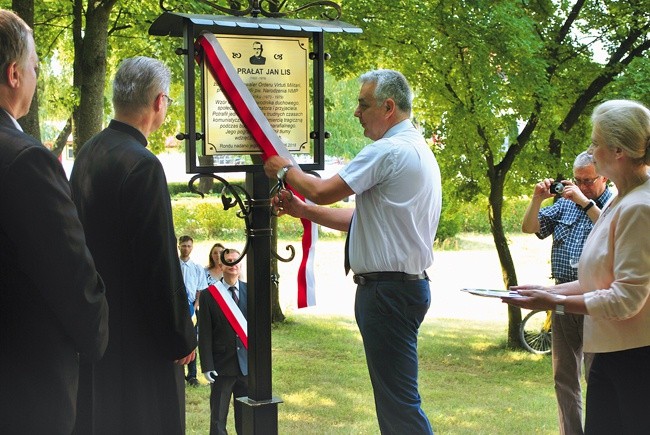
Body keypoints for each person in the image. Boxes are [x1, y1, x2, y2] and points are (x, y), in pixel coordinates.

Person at [264, 69, 441, 433]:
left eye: (364, 104)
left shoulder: (387, 150)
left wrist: (284, 170)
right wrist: (303, 211)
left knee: (400, 407)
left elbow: (322, 190)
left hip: (387, 293)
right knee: (396, 403)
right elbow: (363, 218)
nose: (357, 113)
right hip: (402, 288)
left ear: (388, 107)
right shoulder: (416, 148)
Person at [505, 99, 650, 433]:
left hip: (636, 362)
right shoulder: (620, 199)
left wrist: (554, 302)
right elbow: (598, 280)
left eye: (595, 142)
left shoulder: (639, 206)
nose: (591, 150)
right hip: (611, 354)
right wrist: (547, 290)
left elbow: (626, 299)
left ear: (618, 151)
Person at [69, 56, 197, 434]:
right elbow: (158, 262)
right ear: (159, 102)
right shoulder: (143, 165)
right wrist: (180, 335)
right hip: (140, 339)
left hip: (98, 323)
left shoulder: (89, 152)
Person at [0, 10, 109, 433]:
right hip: (23, 386)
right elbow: (73, 277)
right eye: (34, 67)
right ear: (13, 74)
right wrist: (96, 336)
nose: (36, 76)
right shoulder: (25, 161)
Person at [521, 151, 612, 435]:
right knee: (563, 377)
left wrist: (585, 203)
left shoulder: (615, 203)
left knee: (596, 376)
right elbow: (529, 227)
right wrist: (538, 198)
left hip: (594, 299)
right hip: (561, 296)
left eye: (588, 180)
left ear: (604, 177)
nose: (582, 186)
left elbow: (614, 232)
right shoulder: (564, 204)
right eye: (577, 180)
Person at [198, 248, 249, 435]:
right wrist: (207, 365)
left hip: (246, 366)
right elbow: (204, 334)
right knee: (218, 418)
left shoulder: (250, 291)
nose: (233, 264)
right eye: (228, 261)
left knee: (246, 418)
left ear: (241, 264)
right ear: (221, 265)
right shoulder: (208, 295)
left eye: (236, 261)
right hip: (221, 366)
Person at [178, 234, 209, 387]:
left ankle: (192, 375)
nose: (186, 248)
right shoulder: (174, 266)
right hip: (177, 307)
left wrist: (196, 306)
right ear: (178, 246)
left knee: (192, 339)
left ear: (192, 247)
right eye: (184, 245)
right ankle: (178, 372)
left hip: (191, 306)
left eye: (189, 246)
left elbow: (200, 290)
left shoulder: (197, 268)